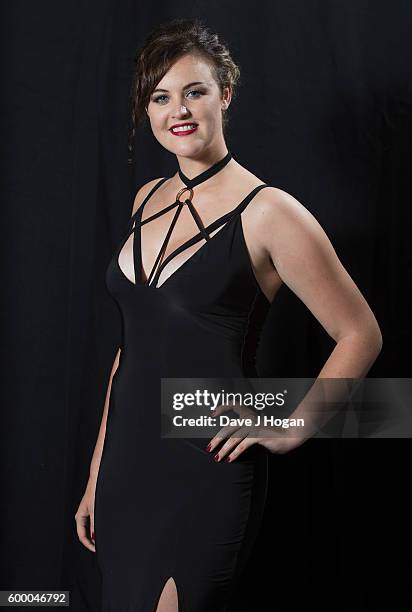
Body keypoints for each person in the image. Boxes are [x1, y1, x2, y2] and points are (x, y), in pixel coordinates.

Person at [75, 17, 382, 612]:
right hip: (124, 470)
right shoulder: (146, 199)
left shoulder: (269, 211)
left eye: (195, 90)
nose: (177, 110)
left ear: (226, 95)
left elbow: (359, 332)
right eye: (160, 97)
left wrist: (292, 425)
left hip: (203, 468)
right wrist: (94, 474)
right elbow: (128, 354)